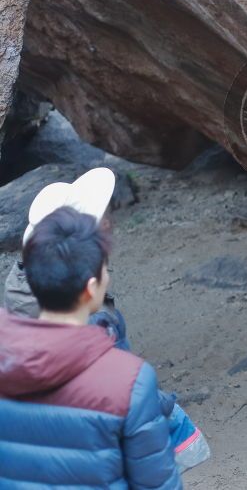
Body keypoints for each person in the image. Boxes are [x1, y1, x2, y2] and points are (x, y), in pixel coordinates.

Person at [2, 167, 210, 473]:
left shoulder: (23, 282)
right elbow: (117, 385)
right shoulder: (90, 322)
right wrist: (163, 406)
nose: (107, 223)